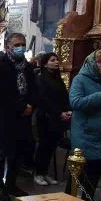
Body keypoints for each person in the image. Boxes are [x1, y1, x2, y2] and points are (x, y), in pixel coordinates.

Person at [0, 32, 38, 201]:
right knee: (2, 152)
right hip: (5, 115)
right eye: (17, 44)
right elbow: (1, 92)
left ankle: (11, 183)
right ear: (8, 47)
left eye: (23, 44)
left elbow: (33, 88)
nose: (21, 47)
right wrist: (22, 106)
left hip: (23, 116)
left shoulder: (27, 66)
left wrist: (31, 105)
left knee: (17, 152)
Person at [66, 50, 101, 200]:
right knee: (79, 169)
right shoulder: (80, 79)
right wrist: (99, 97)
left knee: (96, 168)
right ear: (91, 62)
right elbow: (75, 102)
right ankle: (68, 200)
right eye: (99, 61)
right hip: (85, 132)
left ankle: (87, 200)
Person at [34, 53, 70, 186]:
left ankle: (45, 173)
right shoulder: (40, 78)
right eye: (52, 60)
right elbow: (43, 100)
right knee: (44, 146)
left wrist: (67, 110)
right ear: (45, 63)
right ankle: (38, 173)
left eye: (57, 60)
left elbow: (64, 96)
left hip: (57, 118)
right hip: (46, 117)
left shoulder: (57, 78)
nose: (56, 62)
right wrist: (59, 112)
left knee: (51, 146)